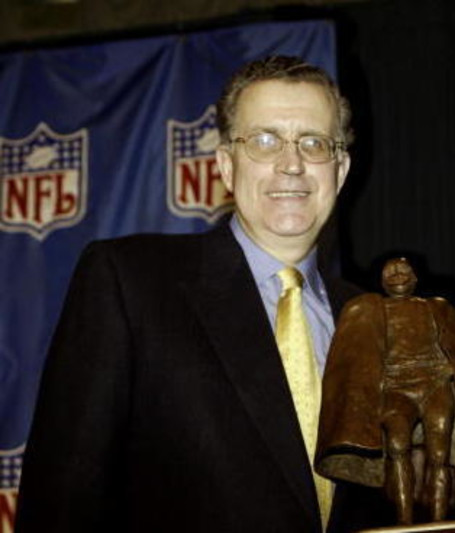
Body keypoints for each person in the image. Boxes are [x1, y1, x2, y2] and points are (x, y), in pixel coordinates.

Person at [16, 56, 371, 533]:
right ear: (226, 163)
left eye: (313, 142)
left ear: (341, 169)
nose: (292, 164)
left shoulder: (375, 321)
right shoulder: (129, 283)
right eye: (264, 141)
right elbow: (61, 501)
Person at [316, 257, 455, 525]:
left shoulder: (438, 308)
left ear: (415, 279)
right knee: (397, 446)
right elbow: (353, 360)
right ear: (381, 281)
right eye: (391, 271)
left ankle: (438, 523)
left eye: (404, 270)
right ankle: (404, 523)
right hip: (396, 389)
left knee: (439, 456)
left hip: (435, 385)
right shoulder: (369, 311)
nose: (398, 274)